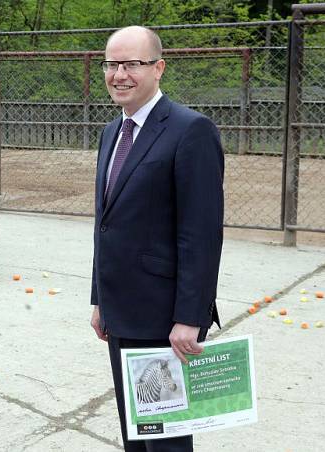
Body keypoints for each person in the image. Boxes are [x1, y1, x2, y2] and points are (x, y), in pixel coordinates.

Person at [90, 26, 223, 451]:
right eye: (112, 64)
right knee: (135, 434)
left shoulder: (191, 130)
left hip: (163, 319)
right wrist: (99, 300)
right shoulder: (113, 132)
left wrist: (190, 316)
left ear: (158, 68)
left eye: (132, 64)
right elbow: (106, 223)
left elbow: (201, 234)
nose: (119, 74)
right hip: (120, 312)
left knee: (165, 440)